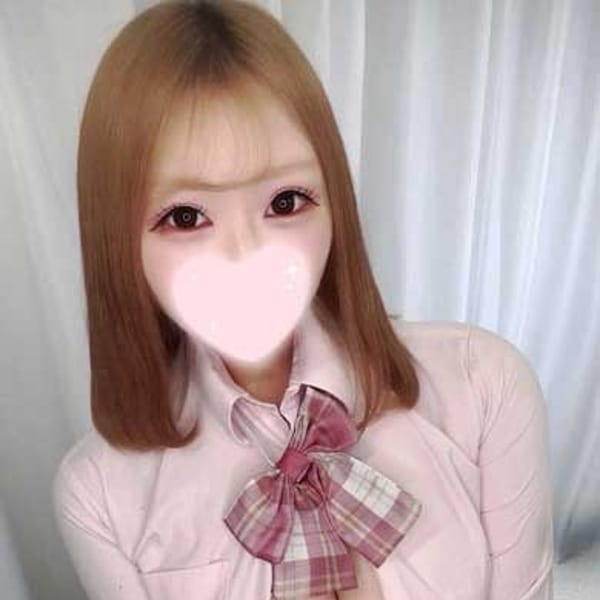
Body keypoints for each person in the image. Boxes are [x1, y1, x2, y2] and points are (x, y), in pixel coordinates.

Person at [52, 1, 555, 599]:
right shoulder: (100, 494)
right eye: (185, 216)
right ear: (117, 240)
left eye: (286, 202)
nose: (245, 256)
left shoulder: (483, 386)